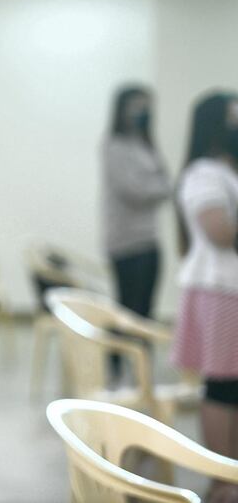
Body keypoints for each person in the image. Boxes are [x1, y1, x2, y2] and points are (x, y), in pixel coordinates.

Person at [172, 92, 238, 502]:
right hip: (220, 291)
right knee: (223, 385)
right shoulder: (203, 173)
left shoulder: (228, 172)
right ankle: (221, 477)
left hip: (229, 290)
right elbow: (219, 231)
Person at [101, 85, 171, 380]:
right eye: (136, 105)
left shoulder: (146, 144)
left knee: (145, 309)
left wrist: (157, 186)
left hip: (150, 238)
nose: (142, 112)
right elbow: (135, 190)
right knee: (126, 307)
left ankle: (142, 368)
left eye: (147, 105)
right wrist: (158, 186)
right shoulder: (113, 146)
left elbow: (165, 181)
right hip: (125, 241)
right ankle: (115, 368)